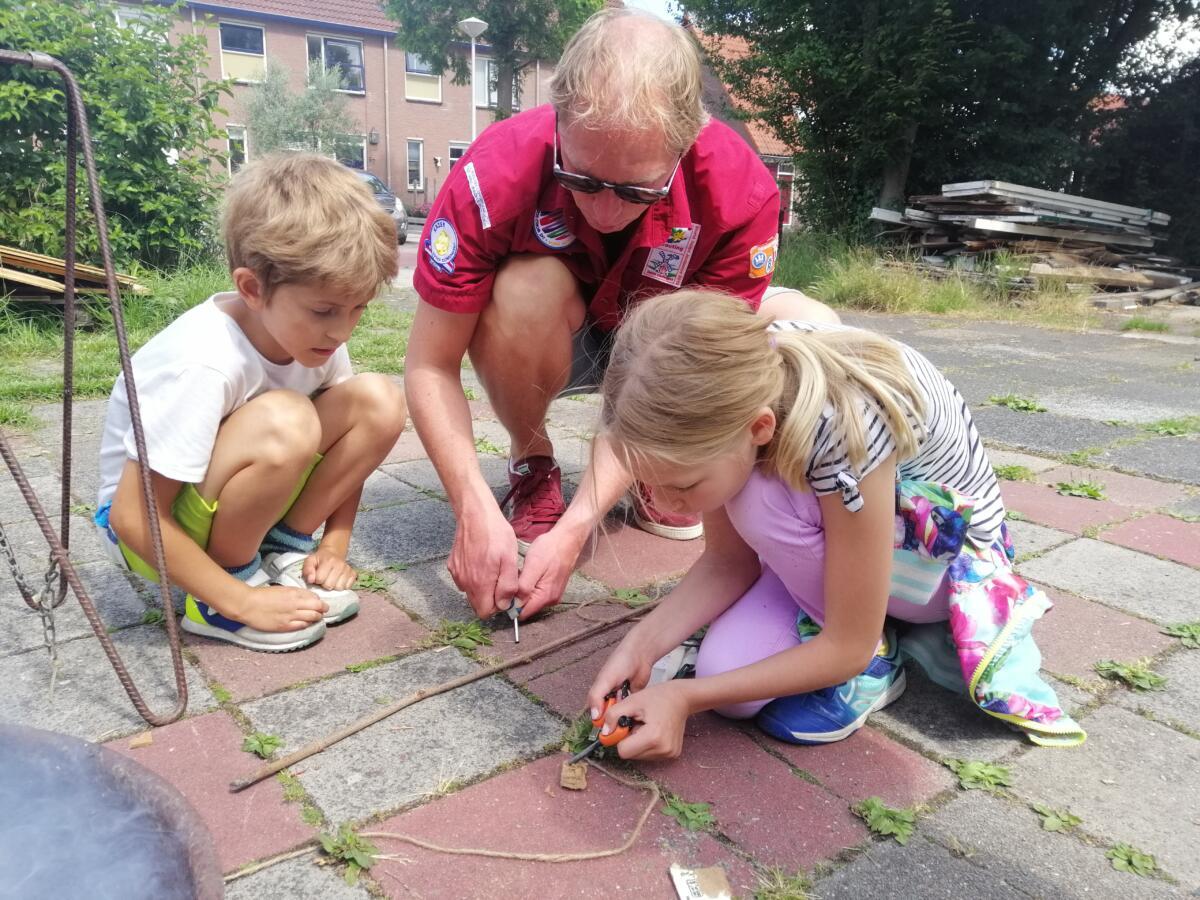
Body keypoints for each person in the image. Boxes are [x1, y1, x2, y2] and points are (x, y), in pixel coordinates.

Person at [405, 7, 837, 624]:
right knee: (526, 286)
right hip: (559, 331)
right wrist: (471, 507)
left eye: (637, 190)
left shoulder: (738, 190)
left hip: (663, 337)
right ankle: (533, 463)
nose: (605, 212)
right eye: (581, 180)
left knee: (813, 326)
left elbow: (701, 357)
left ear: (687, 141)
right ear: (558, 118)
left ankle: (655, 462)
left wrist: (579, 524)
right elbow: (430, 363)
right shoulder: (494, 171)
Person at [586, 290, 1086, 759]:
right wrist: (641, 647)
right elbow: (727, 563)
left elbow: (845, 647)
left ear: (758, 427)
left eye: (684, 485)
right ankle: (841, 615)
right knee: (730, 687)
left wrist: (684, 698)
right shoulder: (727, 398)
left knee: (757, 500)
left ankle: (876, 654)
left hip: (944, 567)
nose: (665, 503)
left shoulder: (842, 425)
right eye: (649, 484)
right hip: (855, 531)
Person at [93, 153, 407, 653]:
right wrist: (240, 600)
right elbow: (131, 516)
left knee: (379, 400)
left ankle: (285, 550)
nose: (343, 330)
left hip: (222, 495)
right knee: (288, 420)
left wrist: (334, 544)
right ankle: (222, 592)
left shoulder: (315, 337)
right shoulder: (204, 360)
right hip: (150, 532)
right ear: (252, 288)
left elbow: (350, 446)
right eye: (324, 309)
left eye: (358, 309)